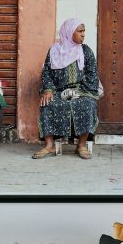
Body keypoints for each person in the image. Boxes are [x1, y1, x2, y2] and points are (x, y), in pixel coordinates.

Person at [32, 18, 101, 160]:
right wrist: (49, 89)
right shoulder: (54, 50)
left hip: (82, 91)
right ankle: (49, 145)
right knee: (48, 103)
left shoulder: (86, 51)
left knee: (87, 103)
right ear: (70, 33)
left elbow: (92, 75)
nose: (83, 34)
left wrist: (78, 92)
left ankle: (81, 146)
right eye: (80, 31)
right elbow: (46, 73)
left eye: (84, 31)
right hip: (58, 91)